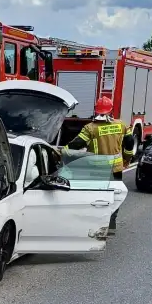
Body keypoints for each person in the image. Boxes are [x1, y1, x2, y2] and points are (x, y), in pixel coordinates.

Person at [64, 96, 134, 234]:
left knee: (96, 196)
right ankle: (111, 221)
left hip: (96, 169)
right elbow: (130, 142)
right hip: (116, 169)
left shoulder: (90, 128)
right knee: (114, 195)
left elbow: (77, 144)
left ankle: (96, 222)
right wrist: (127, 158)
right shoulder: (121, 125)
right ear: (111, 110)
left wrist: (63, 151)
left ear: (96, 111)